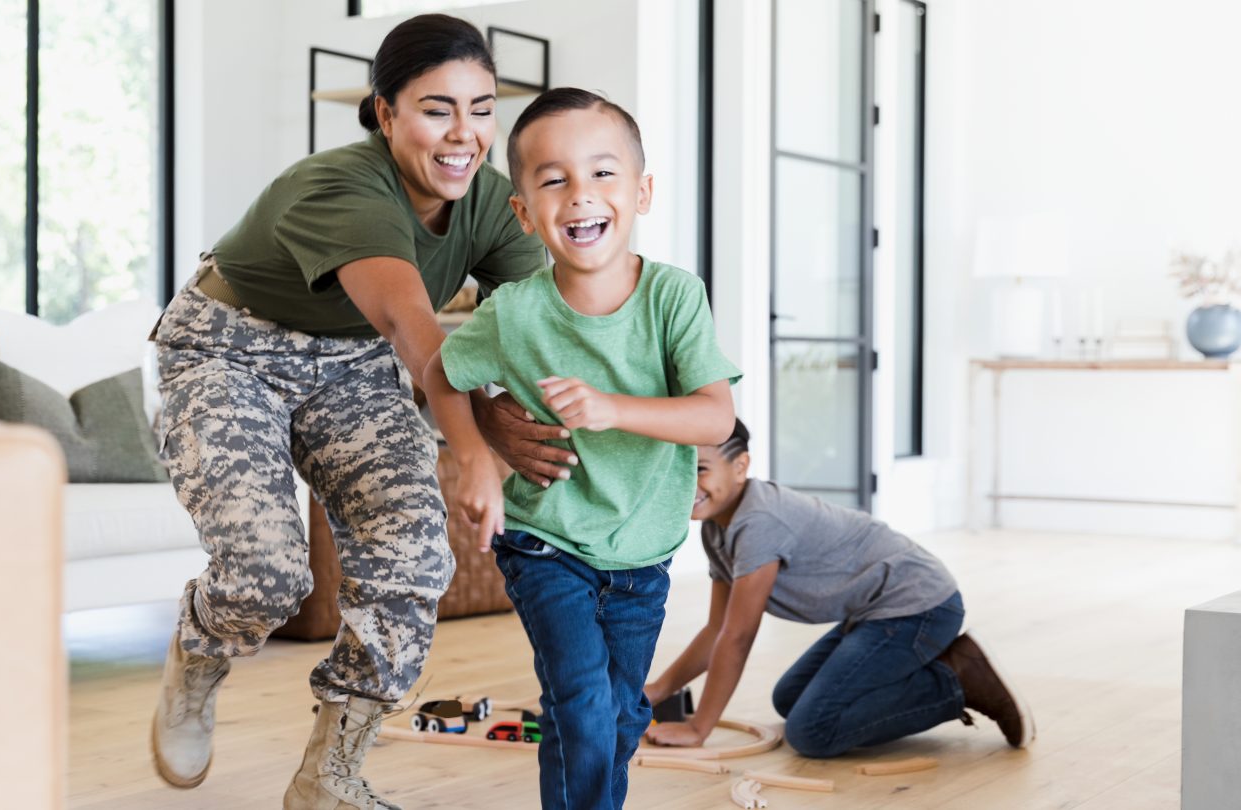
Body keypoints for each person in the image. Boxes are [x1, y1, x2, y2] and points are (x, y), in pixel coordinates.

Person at [148, 15, 579, 809]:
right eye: (436, 108)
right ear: (385, 113)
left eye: (482, 108)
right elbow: (412, 333)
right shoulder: (343, 185)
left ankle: (329, 775)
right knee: (265, 574)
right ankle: (199, 649)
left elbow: (529, 329)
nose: (465, 134)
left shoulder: (489, 203)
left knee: (415, 556)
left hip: (349, 365)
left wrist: (537, 412)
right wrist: (476, 445)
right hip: (229, 348)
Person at [422, 88, 741, 810]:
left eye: (602, 173)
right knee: (581, 703)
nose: (580, 196)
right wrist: (476, 459)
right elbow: (439, 374)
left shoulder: (673, 297)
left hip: (643, 552)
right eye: (553, 179)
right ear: (523, 211)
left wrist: (610, 409)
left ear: (643, 192)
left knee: (620, 713)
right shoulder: (512, 311)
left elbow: (714, 417)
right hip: (546, 542)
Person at [643, 419, 1036, 758]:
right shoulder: (717, 528)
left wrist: (699, 729)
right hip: (875, 612)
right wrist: (659, 689)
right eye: (678, 468)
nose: (686, 482)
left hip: (919, 606)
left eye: (700, 469)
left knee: (812, 731)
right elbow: (716, 630)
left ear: (740, 466)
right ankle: (926, 665)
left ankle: (956, 680)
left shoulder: (759, 522)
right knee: (789, 700)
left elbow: (738, 636)